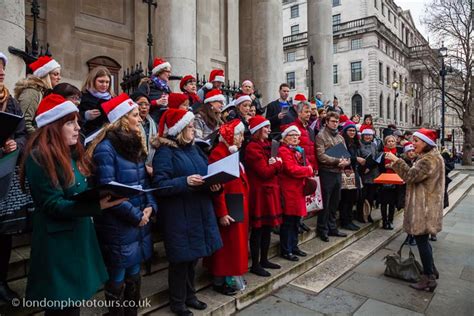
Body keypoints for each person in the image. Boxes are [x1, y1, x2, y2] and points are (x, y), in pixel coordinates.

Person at [21, 94, 124, 315]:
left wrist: (101, 195)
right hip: (58, 247)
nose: (78, 128)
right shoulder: (39, 156)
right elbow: (52, 204)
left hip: (76, 240)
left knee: (72, 307)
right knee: (62, 309)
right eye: (70, 122)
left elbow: (76, 191)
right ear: (53, 127)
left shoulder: (66, 153)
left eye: (77, 121)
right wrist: (97, 206)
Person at [87, 93, 157, 315]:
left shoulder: (134, 144)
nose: (140, 119)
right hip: (118, 225)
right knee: (117, 274)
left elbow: (144, 183)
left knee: (135, 271)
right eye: (136, 115)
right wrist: (136, 216)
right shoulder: (106, 149)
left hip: (138, 220)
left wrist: (150, 207)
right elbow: (108, 191)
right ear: (123, 119)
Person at [151, 108, 222, 316]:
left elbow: (208, 172)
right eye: (190, 127)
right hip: (178, 214)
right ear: (180, 129)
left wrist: (216, 185)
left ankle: (191, 296)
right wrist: (185, 181)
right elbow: (160, 185)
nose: (194, 131)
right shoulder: (165, 152)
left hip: (198, 209)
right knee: (180, 261)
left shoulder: (194, 149)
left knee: (193, 258)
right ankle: (178, 302)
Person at [386, 128, 444, 292]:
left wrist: (397, 161)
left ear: (425, 142)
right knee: (424, 241)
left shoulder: (428, 160)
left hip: (424, 208)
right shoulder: (430, 157)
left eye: (416, 141)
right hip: (426, 206)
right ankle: (431, 270)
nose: (413, 144)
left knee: (422, 242)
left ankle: (428, 277)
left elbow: (410, 176)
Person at [206, 120, 249, 296]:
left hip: (237, 204)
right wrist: (222, 212)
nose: (242, 139)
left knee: (235, 246)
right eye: (239, 135)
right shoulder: (218, 153)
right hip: (228, 206)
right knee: (226, 248)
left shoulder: (231, 153)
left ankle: (231, 275)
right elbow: (217, 186)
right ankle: (220, 280)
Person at [0, 52, 27, 303]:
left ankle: (2, 281)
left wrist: (15, 144)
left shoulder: (11, 101)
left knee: (4, 233)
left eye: (2, 69)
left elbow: (22, 133)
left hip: (5, 173)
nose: (1, 73)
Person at [244, 116, 283, 276]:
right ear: (258, 130)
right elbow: (264, 172)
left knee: (267, 229)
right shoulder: (252, 147)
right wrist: (276, 164)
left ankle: (264, 259)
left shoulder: (269, 145)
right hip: (260, 193)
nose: (268, 129)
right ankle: (255, 264)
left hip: (270, 191)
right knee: (258, 230)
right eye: (265, 127)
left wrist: (275, 164)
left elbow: (275, 167)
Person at [278, 125, 313, 261]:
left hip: (298, 190)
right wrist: (308, 170)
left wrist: (306, 168)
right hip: (289, 190)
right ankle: (286, 249)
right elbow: (291, 169)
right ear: (285, 138)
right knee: (288, 221)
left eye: (297, 136)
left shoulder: (298, 151)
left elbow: (307, 164)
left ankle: (294, 246)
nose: (295, 138)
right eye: (291, 136)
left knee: (296, 220)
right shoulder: (283, 151)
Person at [315, 112, 351, 242]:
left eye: (337, 121)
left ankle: (332, 227)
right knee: (326, 202)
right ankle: (322, 229)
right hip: (327, 172)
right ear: (326, 122)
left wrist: (346, 162)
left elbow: (346, 155)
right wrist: (337, 161)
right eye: (333, 121)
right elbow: (321, 156)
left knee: (335, 201)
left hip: (338, 172)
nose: (335, 123)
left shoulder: (340, 137)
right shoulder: (321, 135)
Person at [14, 56, 61, 134]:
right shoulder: (32, 92)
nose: (59, 78)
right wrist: (40, 138)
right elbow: (24, 123)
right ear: (46, 75)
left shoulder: (42, 92)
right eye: (56, 74)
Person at [339, 121, 364, 231]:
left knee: (353, 197)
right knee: (346, 198)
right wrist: (356, 159)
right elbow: (343, 156)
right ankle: (345, 221)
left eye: (354, 130)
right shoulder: (342, 142)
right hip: (346, 172)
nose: (352, 132)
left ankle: (349, 220)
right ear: (345, 131)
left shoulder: (355, 143)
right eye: (350, 130)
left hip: (354, 171)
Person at [78, 66, 114, 136]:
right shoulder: (82, 96)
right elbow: (72, 116)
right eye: (101, 81)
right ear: (92, 80)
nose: (104, 85)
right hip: (88, 134)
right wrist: (85, 115)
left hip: (108, 134)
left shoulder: (112, 98)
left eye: (107, 82)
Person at [356, 128, 380, 223]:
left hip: (373, 172)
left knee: (370, 196)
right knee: (362, 196)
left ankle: (368, 214)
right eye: (366, 135)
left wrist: (371, 166)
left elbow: (376, 156)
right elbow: (358, 158)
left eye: (369, 135)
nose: (368, 137)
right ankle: (360, 215)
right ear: (362, 136)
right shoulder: (359, 145)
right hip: (363, 173)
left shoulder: (374, 145)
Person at [137, 58, 172, 122]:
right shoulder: (146, 85)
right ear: (159, 72)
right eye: (167, 72)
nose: (170, 74)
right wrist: (156, 102)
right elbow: (137, 102)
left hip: (164, 121)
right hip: (149, 122)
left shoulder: (166, 88)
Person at [131, 92, 157, 175]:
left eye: (147, 104)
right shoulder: (131, 125)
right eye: (140, 104)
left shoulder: (154, 124)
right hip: (136, 167)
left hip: (152, 166)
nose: (144, 107)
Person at [378, 135, 399, 230]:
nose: (391, 143)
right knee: (383, 202)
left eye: (392, 141)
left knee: (392, 203)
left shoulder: (398, 153)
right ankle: (384, 221)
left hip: (395, 180)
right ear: (385, 143)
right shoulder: (382, 154)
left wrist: (393, 166)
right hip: (384, 179)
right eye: (389, 141)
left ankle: (390, 221)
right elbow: (378, 166)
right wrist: (385, 166)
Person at [401, 142, 417, 246]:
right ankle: (409, 234)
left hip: (416, 191)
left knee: (416, 214)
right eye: (408, 151)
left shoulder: (419, 161)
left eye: (412, 151)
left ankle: (414, 235)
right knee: (408, 214)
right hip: (405, 190)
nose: (411, 153)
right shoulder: (404, 162)